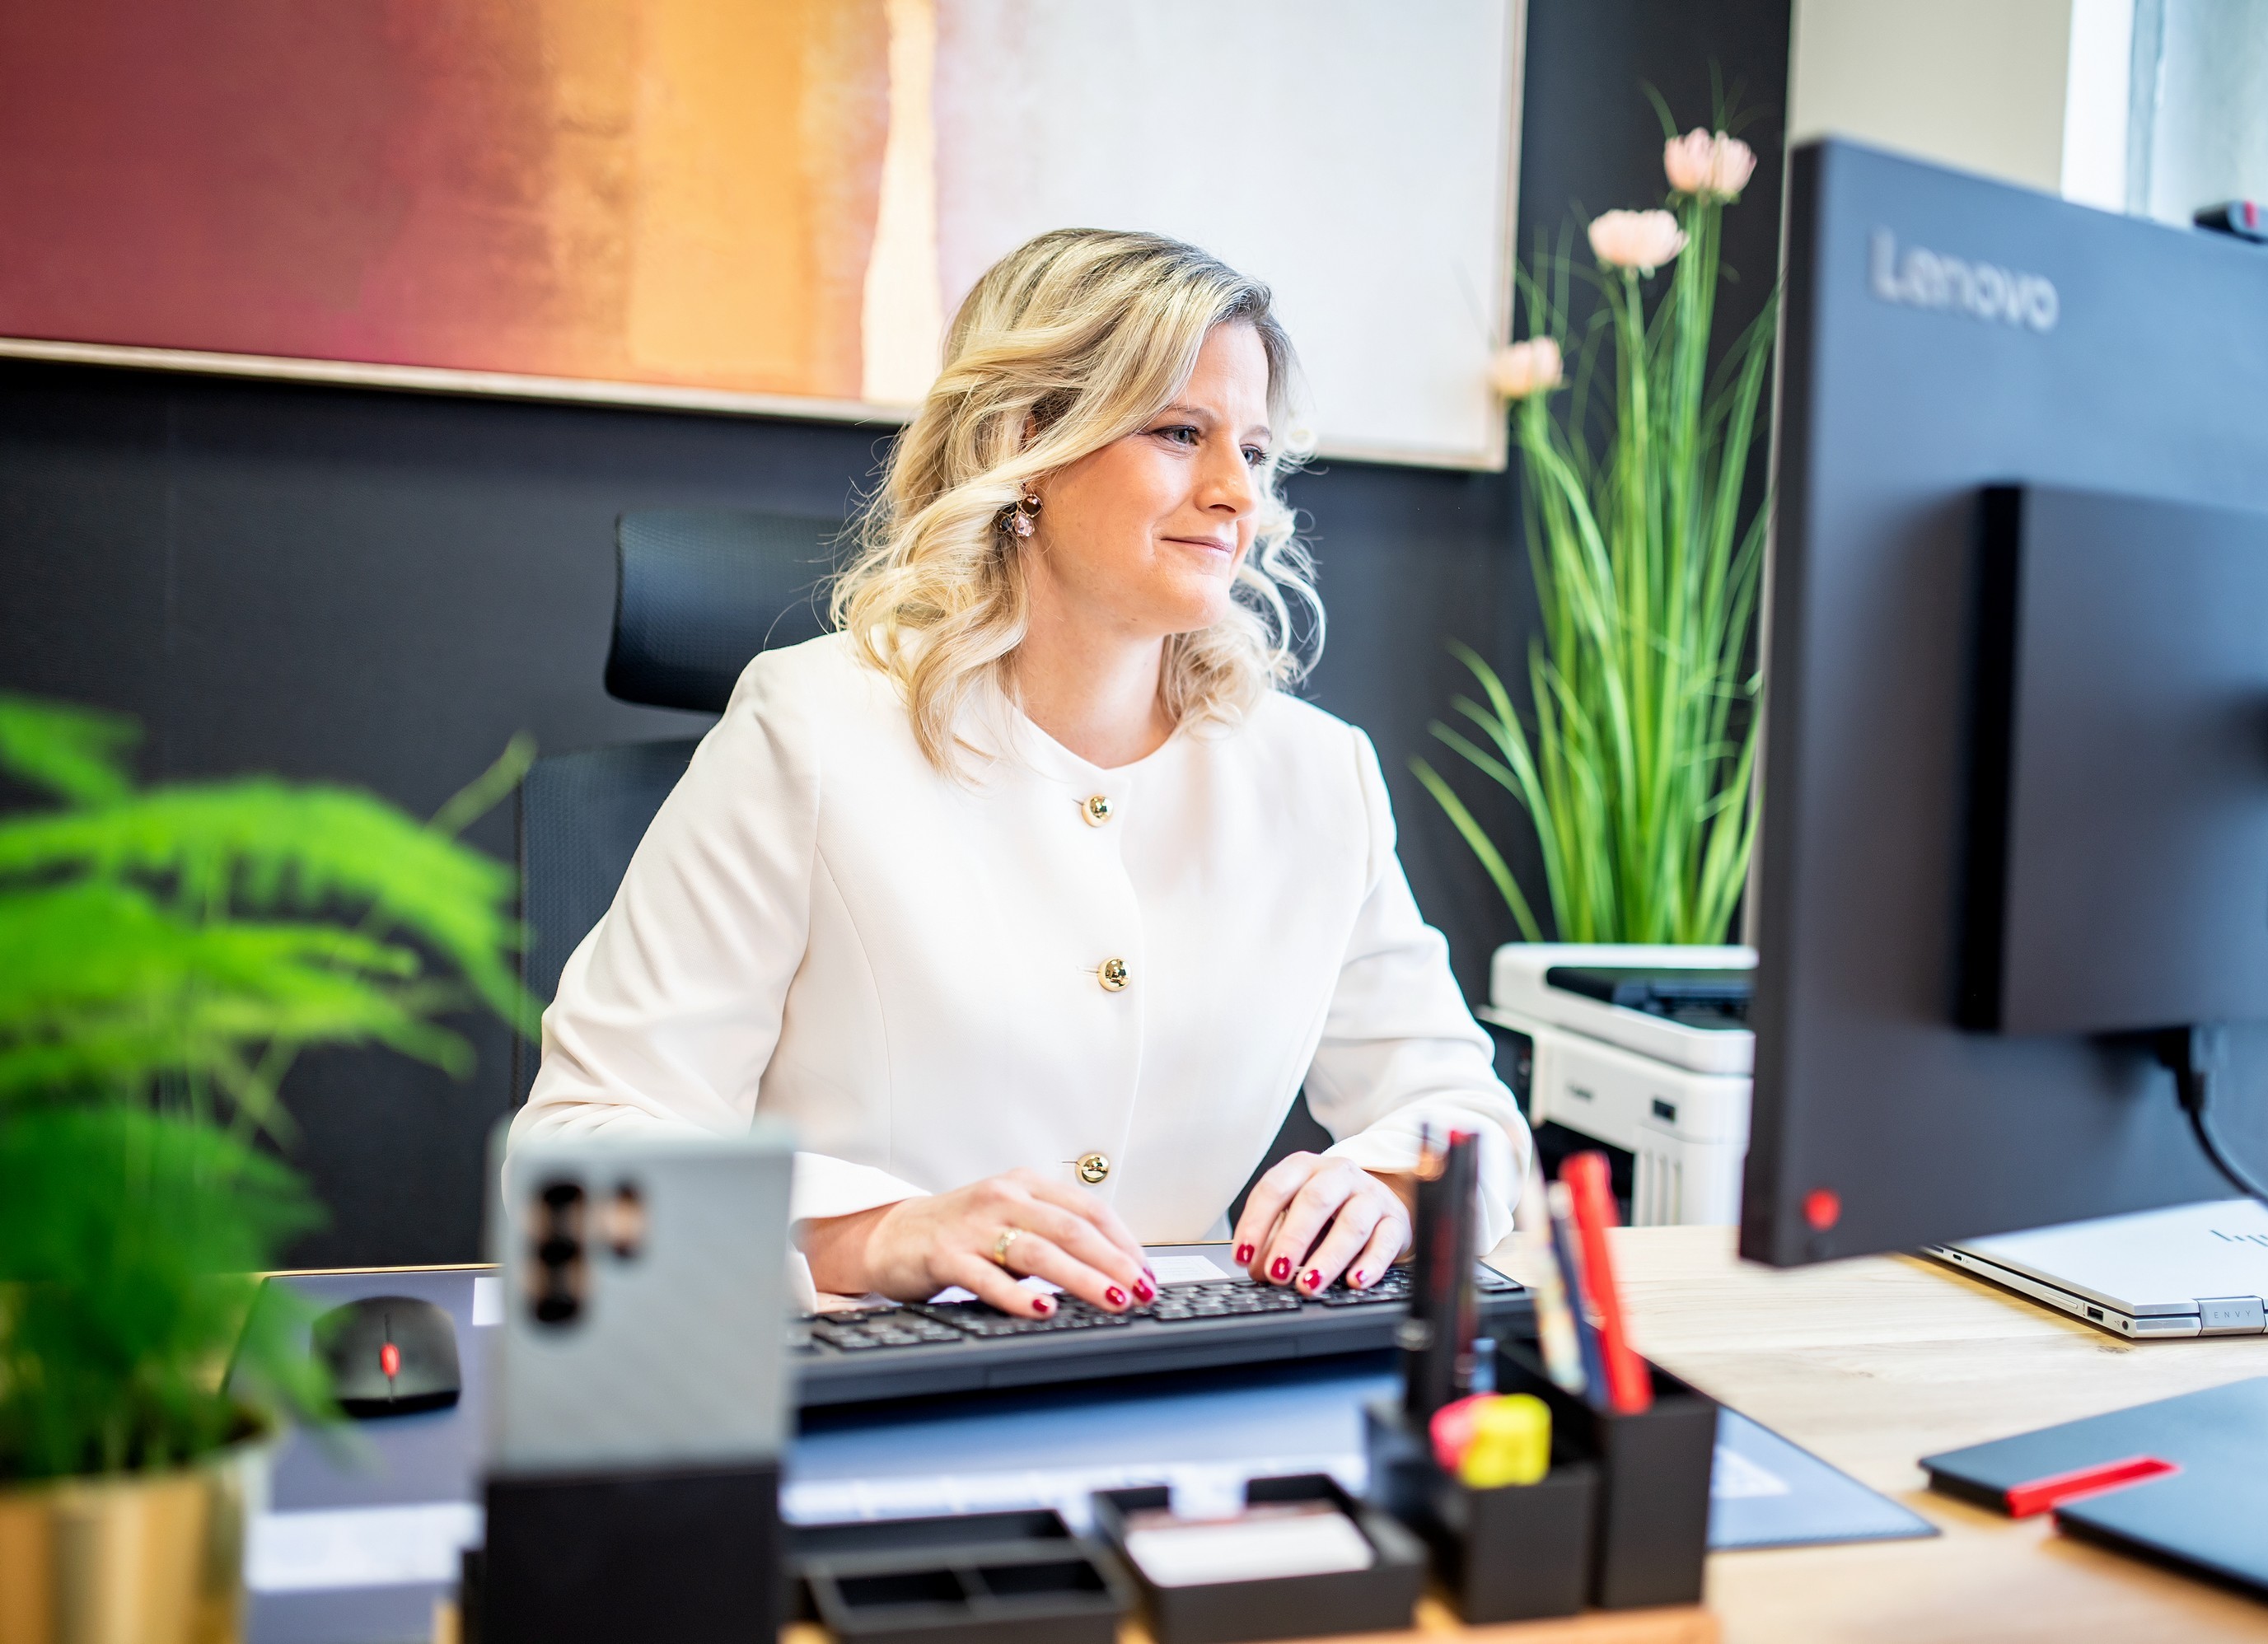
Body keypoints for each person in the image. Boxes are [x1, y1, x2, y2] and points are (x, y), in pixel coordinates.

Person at [513, 229, 1528, 1319]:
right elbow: (580, 1160)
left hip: (1187, 1395)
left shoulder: (1318, 777)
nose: (1241, 494)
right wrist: (880, 1235)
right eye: (1183, 432)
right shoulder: (813, 728)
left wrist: (1389, 1185)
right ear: (1026, 444)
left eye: (1258, 451)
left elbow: (1460, 1108)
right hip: (866, 1392)